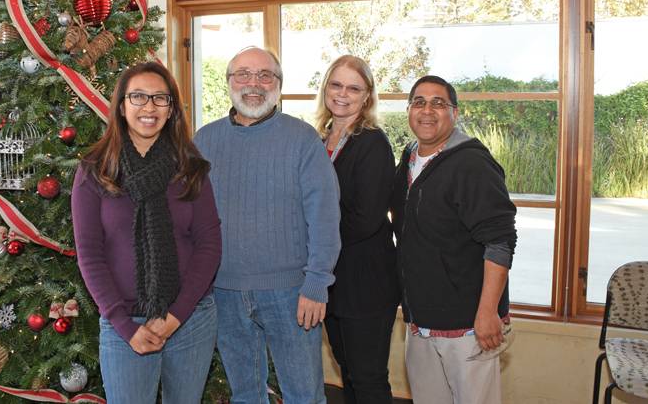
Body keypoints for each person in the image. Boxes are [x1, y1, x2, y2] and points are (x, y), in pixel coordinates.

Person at [194, 46, 341, 403]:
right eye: (243, 74)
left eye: (265, 76)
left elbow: (325, 216)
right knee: (245, 395)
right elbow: (189, 219)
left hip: (292, 294)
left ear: (278, 85)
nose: (253, 84)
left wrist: (317, 284)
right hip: (224, 293)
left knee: (304, 395)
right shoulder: (203, 141)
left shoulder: (303, 139)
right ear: (229, 82)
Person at [71, 62, 221, 404]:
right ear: (122, 106)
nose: (149, 107)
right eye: (138, 97)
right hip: (123, 322)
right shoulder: (95, 170)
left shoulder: (190, 167)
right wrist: (125, 326)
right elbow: (90, 255)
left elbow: (209, 245)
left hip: (190, 319)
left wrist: (175, 317)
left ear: (171, 110)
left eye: (160, 98)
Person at [391, 75, 517, 404]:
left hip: (469, 326)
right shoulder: (409, 157)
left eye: (438, 103)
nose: (427, 110)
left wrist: (488, 312)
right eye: (419, 102)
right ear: (408, 111)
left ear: (455, 113)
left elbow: (500, 241)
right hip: (421, 322)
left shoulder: (472, 163)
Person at [315, 55, 399, 403]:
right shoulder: (320, 138)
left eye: (354, 87)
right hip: (333, 281)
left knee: (367, 379)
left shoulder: (373, 142)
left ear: (367, 96)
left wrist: (316, 242)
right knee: (347, 370)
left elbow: (366, 218)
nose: (343, 94)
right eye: (336, 84)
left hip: (366, 283)